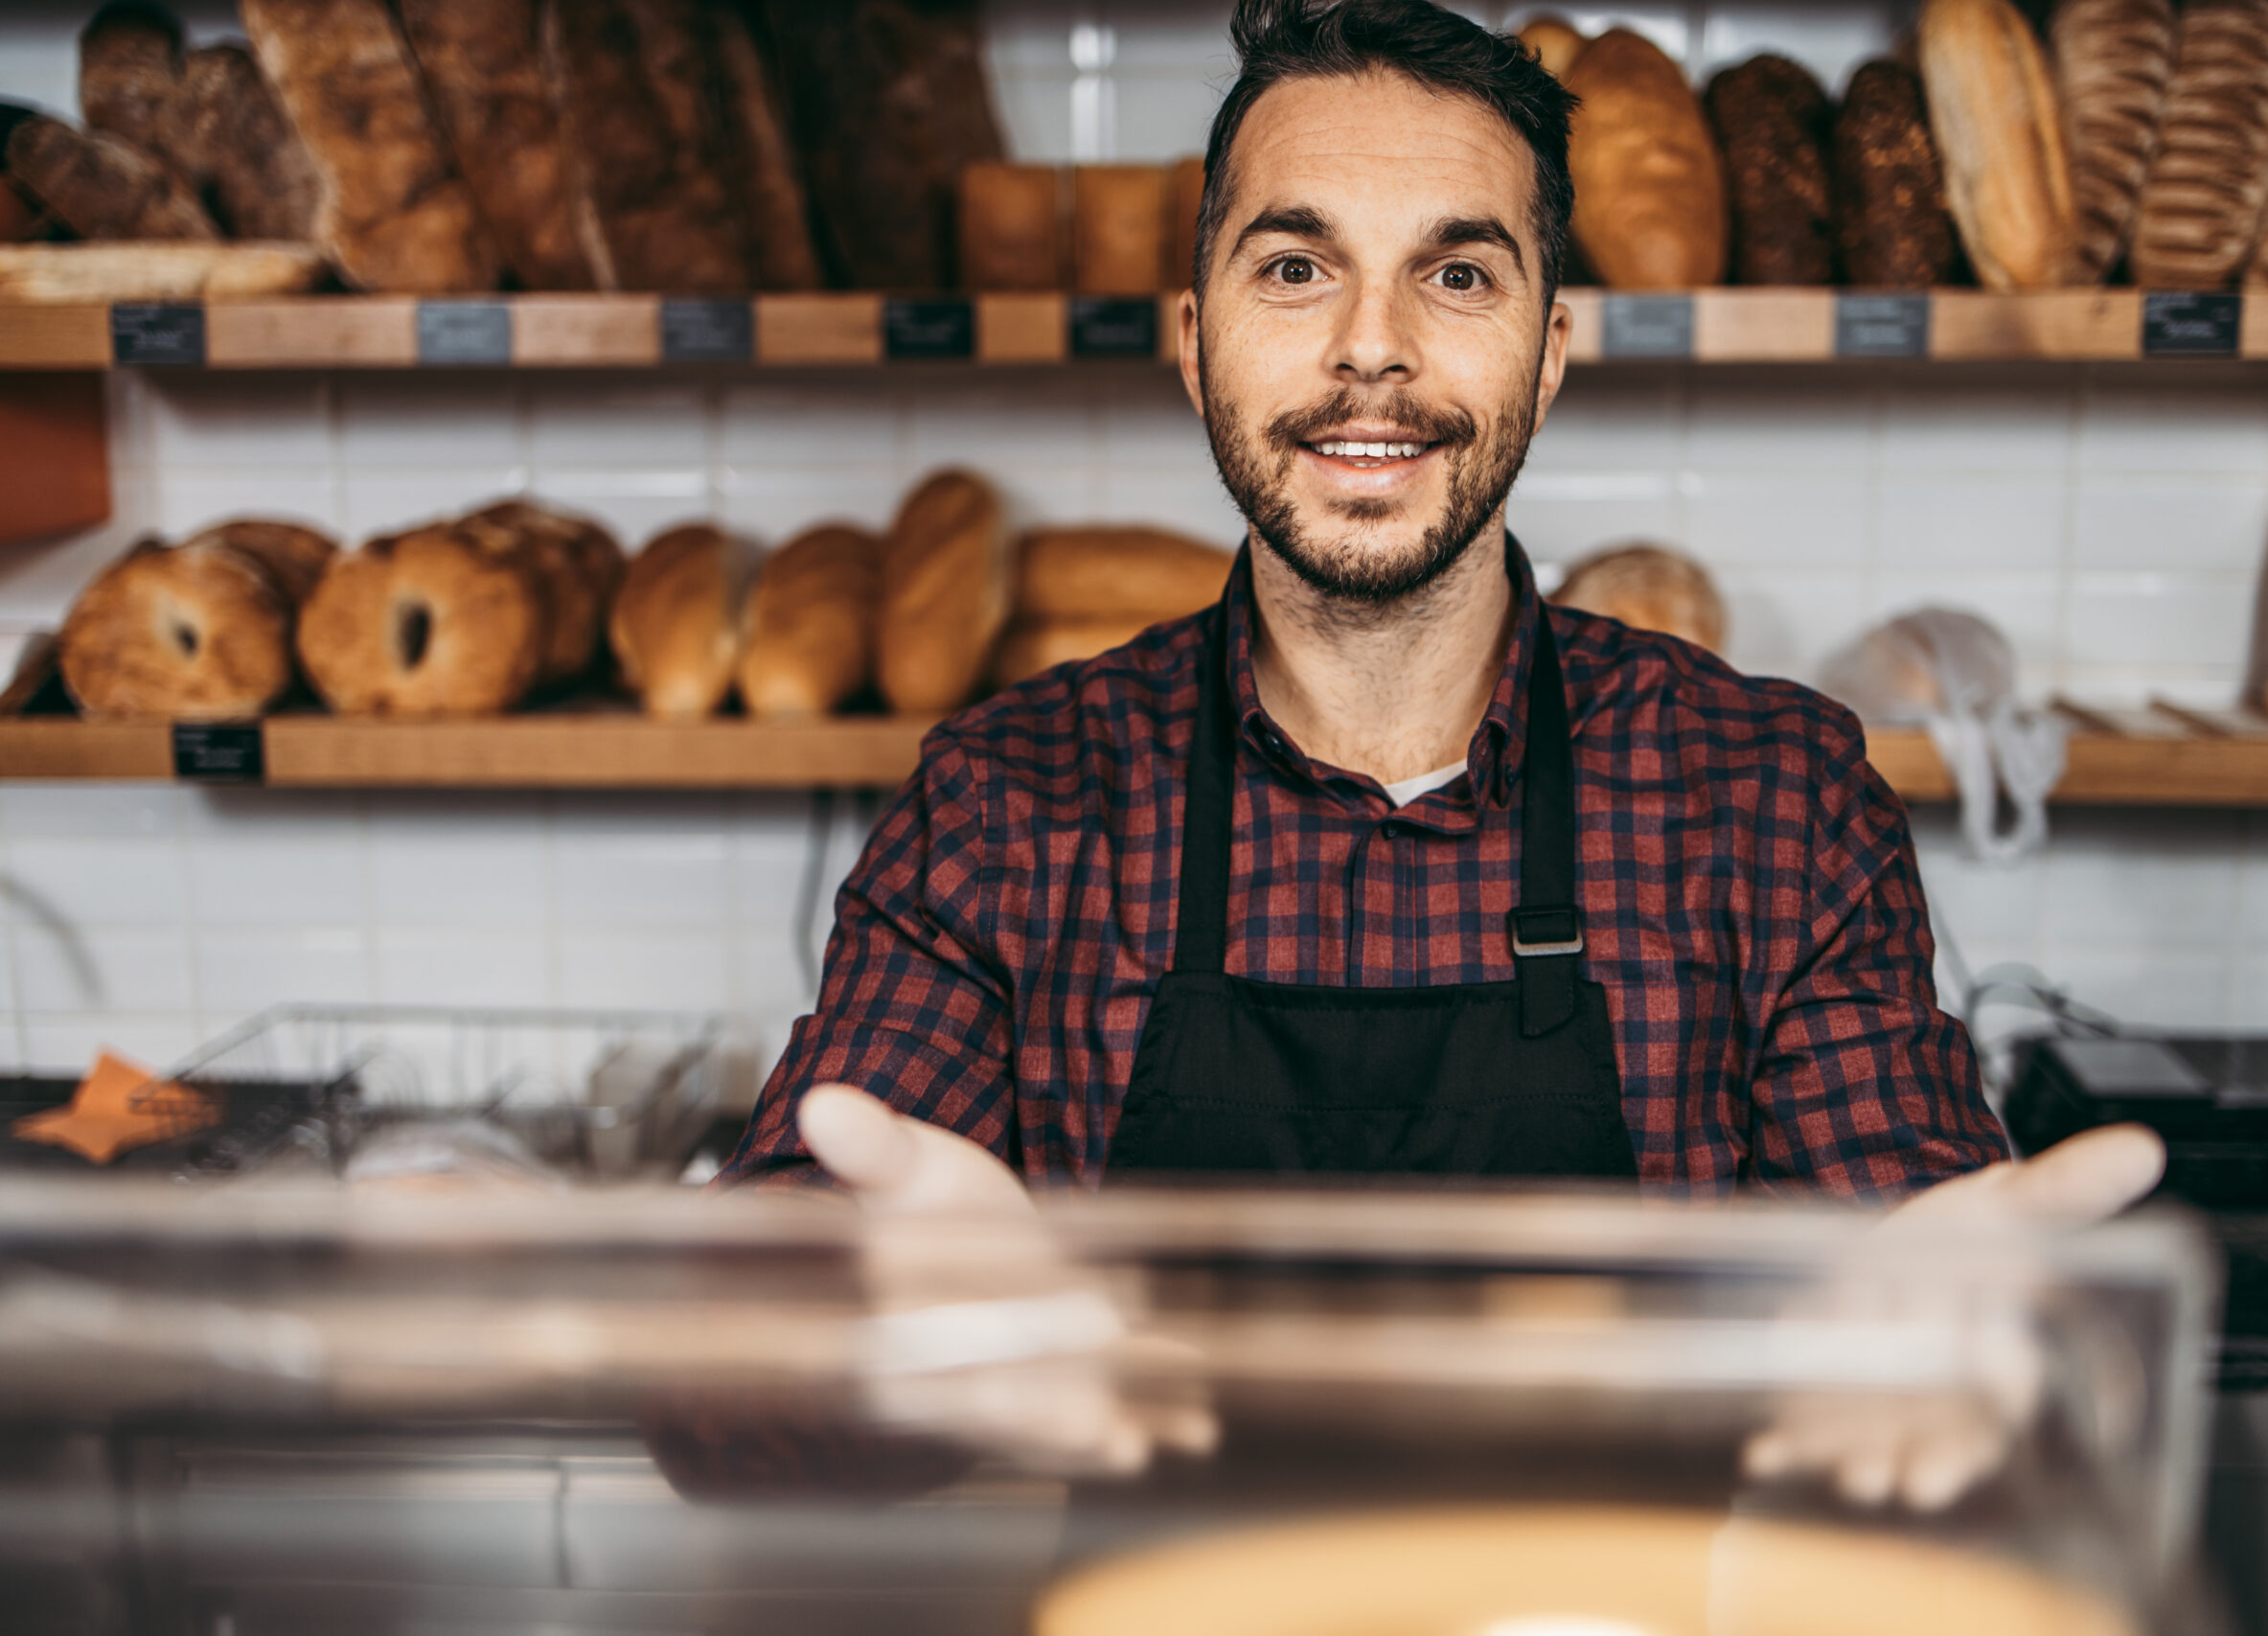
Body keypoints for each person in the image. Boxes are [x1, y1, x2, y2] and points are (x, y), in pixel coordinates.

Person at [722, 0, 2128, 1207]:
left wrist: (1958, 1358)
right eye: (1295, 269)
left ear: (1552, 350)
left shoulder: (1774, 805)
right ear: (1196, 342)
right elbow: (733, 1396)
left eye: (1456, 275)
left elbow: (1921, 1314)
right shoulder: (1004, 810)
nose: (1373, 350)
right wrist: (860, 1356)